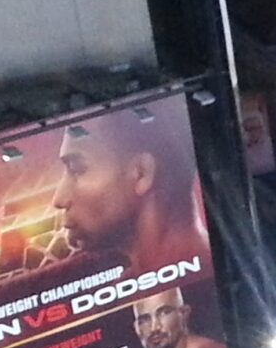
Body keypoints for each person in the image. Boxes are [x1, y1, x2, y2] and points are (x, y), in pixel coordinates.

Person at [51, 105, 210, 278]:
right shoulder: (224, 266)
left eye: (76, 169)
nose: (58, 200)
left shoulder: (222, 281)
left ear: (141, 173)